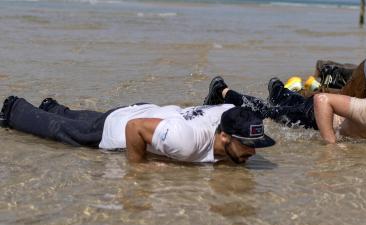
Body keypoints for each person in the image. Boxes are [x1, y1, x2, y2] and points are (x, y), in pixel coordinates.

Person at [0, 95, 275, 164]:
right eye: (247, 144)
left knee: (90, 119)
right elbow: (134, 129)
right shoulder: (186, 143)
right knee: (69, 133)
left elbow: (230, 107)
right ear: (224, 136)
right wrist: (138, 169)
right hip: (124, 127)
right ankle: (14, 109)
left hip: (150, 111)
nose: (252, 151)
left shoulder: (228, 114)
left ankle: (52, 105)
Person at [204, 76, 366, 144]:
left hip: (312, 106)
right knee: (267, 112)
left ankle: (278, 87)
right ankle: (223, 91)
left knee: (285, 103)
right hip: (316, 117)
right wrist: (331, 145)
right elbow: (322, 101)